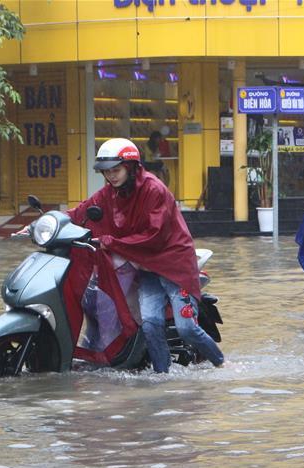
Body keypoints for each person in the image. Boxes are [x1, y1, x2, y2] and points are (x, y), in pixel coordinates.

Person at [65, 138, 223, 372]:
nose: (111, 176)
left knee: (187, 328)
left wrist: (111, 241)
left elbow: (154, 236)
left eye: (116, 170)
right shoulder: (111, 193)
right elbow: (82, 211)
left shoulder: (153, 189)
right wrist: (46, 223)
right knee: (150, 324)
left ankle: (221, 363)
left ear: (130, 167)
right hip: (146, 269)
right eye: (106, 172)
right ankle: (162, 375)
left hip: (174, 268)